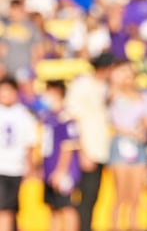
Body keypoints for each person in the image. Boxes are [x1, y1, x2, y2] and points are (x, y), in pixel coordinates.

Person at [66, 53, 114, 231]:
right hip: (86, 150)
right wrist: (82, 151)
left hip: (101, 150)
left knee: (93, 196)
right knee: (83, 198)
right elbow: (72, 120)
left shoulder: (106, 88)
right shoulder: (82, 85)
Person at [107, 60, 147, 231]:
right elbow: (114, 123)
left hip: (139, 145)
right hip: (122, 143)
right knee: (121, 194)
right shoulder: (115, 94)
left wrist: (144, 126)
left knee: (136, 195)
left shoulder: (146, 96)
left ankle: (133, 225)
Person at [41, 80, 81, 231]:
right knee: (54, 207)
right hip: (49, 170)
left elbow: (68, 147)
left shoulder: (65, 117)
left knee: (67, 207)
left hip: (64, 172)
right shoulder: (48, 117)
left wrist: (61, 171)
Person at [0, 76, 37, 231]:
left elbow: (30, 144)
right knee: (4, 209)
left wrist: (30, 165)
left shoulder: (23, 114)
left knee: (9, 208)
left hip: (15, 168)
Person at [1, 0, 42, 76]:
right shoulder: (5, 27)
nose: (13, 12)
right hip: (7, 69)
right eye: (12, 9)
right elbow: (2, 48)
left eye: (16, 9)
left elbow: (37, 49)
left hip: (25, 68)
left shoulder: (31, 27)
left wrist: (33, 67)